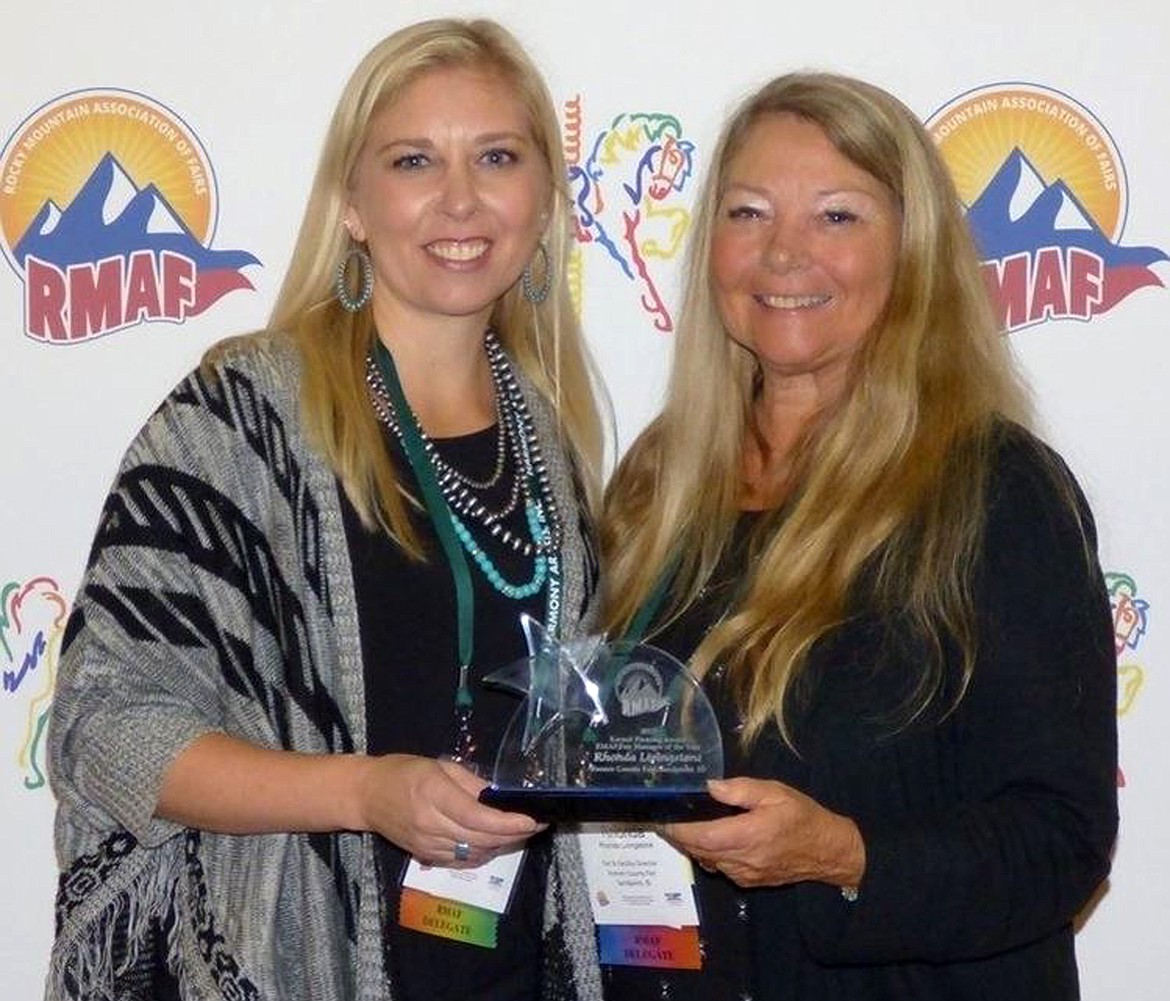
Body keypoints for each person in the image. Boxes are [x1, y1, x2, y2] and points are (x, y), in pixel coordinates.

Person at [45, 18, 606, 1001]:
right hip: (287, 964)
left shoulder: (553, 443)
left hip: (508, 967)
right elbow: (109, 729)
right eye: (414, 160)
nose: (461, 198)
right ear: (352, 203)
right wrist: (363, 790)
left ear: (545, 196)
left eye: (499, 156)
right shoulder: (238, 419)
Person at [597, 72, 1117, 1001]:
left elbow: (1060, 840)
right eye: (748, 212)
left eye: (837, 216)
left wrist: (841, 855)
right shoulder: (656, 482)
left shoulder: (994, 493)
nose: (784, 254)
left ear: (912, 253)